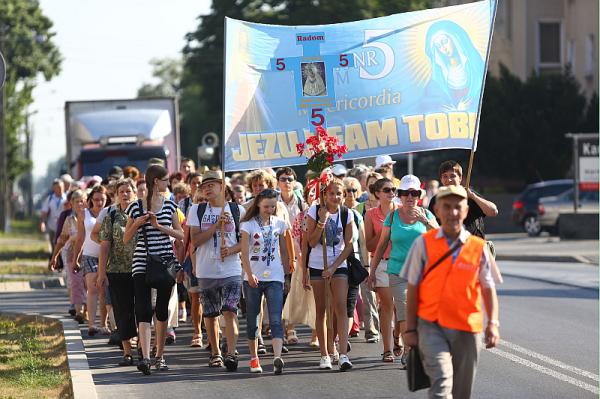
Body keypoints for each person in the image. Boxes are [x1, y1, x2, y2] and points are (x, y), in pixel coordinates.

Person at [401, 185, 500, 399]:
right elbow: (413, 289)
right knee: (441, 384)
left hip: (467, 328)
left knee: (462, 393)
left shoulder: (478, 247)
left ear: (465, 211)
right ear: (437, 210)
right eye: (447, 206)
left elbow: (488, 287)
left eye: (458, 206)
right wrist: (410, 329)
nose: (452, 212)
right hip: (432, 326)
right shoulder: (423, 244)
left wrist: (492, 324)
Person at [369, 175, 438, 365]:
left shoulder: (427, 215)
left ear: (419, 195)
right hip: (397, 271)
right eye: (406, 193)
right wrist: (372, 272)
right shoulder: (393, 217)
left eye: (414, 193)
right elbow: (382, 245)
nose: (410, 197)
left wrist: (424, 220)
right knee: (405, 311)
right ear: (400, 196)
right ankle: (408, 350)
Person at [124, 165, 184, 375]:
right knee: (142, 309)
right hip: (141, 261)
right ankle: (146, 357)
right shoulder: (134, 207)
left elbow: (180, 234)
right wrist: (138, 223)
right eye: (165, 179)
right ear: (156, 181)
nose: (168, 183)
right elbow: (125, 239)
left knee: (161, 310)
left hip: (165, 261)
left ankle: (159, 356)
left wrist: (159, 226)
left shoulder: (169, 205)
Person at [188, 170, 245, 371]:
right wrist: (215, 226)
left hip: (231, 269)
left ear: (222, 186)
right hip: (206, 270)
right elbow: (195, 240)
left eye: (211, 184)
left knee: (230, 310)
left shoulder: (238, 210)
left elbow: (244, 243)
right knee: (211, 314)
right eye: (204, 186)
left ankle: (231, 352)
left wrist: (230, 250)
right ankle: (215, 353)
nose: (207, 189)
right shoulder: (196, 210)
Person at [304, 178, 354, 371]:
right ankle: (324, 354)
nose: (335, 197)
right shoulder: (315, 211)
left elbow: (349, 244)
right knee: (322, 309)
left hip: (338, 265)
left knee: (340, 307)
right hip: (318, 264)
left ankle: (342, 354)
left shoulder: (346, 213)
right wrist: (321, 222)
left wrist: (333, 268)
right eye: (331, 193)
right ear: (324, 195)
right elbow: (311, 242)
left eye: (339, 194)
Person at [240, 189, 291, 374]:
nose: (269, 209)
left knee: (276, 318)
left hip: (275, 276)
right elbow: (244, 253)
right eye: (266, 206)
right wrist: (249, 273)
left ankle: (277, 357)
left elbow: (284, 251)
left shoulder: (280, 223)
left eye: (272, 206)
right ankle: (254, 358)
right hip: (253, 277)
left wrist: (286, 275)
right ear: (258, 204)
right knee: (253, 318)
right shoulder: (248, 225)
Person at [96, 179, 138, 366]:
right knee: (122, 311)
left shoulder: (142, 213)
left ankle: (144, 347)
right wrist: (101, 272)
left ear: (135, 193)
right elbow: (104, 246)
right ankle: (127, 351)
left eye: (128, 190)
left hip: (140, 268)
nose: (125, 194)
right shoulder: (111, 216)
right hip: (117, 270)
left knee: (141, 310)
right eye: (121, 191)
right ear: (116, 195)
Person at [343, 177, 379, 343]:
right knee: (347, 297)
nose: (350, 194)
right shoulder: (341, 211)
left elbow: (363, 241)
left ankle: (371, 329)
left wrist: (366, 264)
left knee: (368, 294)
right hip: (341, 260)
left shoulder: (357, 213)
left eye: (353, 191)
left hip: (359, 258)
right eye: (346, 191)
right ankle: (344, 331)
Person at [427, 160, 498, 239]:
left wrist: (473, 197)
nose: (449, 180)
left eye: (452, 176)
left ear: (460, 178)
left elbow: (493, 211)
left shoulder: (470, 195)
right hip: (446, 247)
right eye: (445, 176)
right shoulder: (435, 200)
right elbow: (430, 227)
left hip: (472, 247)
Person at [73, 184, 109, 337]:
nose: (99, 203)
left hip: (107, 256)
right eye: (96, 199)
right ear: (90, 200)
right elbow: (80, 237)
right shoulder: (84, 214)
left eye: (102, 199)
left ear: (106, 199)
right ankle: (92, 324)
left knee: (104, 290)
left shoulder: (110, 212)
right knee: (92, 288)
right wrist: (76, 257)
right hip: (89, 255)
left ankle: (104, 323)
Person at [49, 190, 87, 324]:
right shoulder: (69, 220)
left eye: (82, 201)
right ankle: (79, 312)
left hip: (89, 255)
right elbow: (61, 239)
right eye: (77, 202)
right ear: (71, 204)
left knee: (87, 284)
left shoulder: (91, 218)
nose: (80, 204)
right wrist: (54, 256)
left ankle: (86, 311)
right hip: (72, 254)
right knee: (76, 283)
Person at [40, 179, 66, 254]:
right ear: (53, 188)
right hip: (52, 226)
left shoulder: (67, 198)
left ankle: (61, 262)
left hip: (63, 227)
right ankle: (55, 262)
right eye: (57, 187)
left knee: (63, 246)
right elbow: (44, 212)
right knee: (53, 245)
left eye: (61, 187)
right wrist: (42, 223)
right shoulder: (50, 199)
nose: (60, 189)